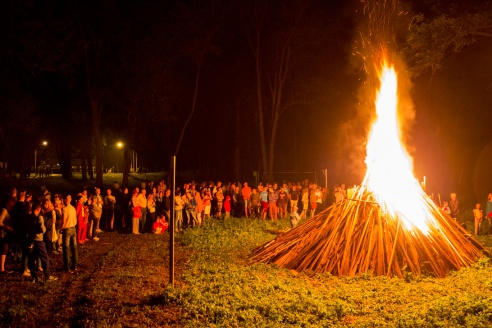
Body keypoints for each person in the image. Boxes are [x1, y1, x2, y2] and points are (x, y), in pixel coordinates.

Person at [28, 203, 57, 282]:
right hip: (39, 240)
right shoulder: (39, 217)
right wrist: (44, 228)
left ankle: (34, 277)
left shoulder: (29, 217)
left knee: (32, 259)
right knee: (45, 258)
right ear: (38, 209)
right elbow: (42, 229)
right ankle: (47, 276)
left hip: (30, 240)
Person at [61, 195, 78, 274]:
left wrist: (61, 228)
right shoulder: (73, 208)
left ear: (65, 200)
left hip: (67, 229)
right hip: (73, 228)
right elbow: (75, 219)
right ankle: (75, 265)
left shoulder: (64, 209)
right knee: (74, 247)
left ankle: (67, 266)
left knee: (66, 248)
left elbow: (64, 220)